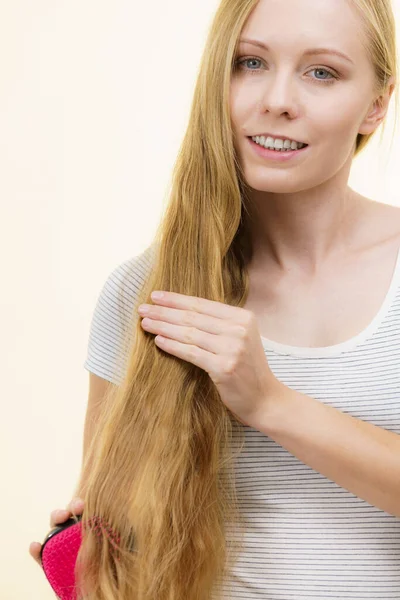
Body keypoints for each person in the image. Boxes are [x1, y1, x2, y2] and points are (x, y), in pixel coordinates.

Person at [30, 0, 400, 598]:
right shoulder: (144, 291)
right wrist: (90, 558)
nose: (277, 99)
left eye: (322, 72)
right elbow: (112, 526)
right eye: (250, 63)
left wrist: (270, 402)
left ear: (377, 104)